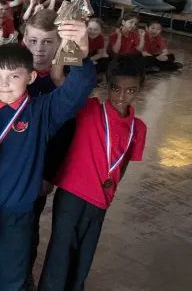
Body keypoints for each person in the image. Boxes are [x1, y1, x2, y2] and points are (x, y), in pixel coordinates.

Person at [0, 22, 96, 290]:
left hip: (17, 214)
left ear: (31, 77)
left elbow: (77, 91)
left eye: (14, 76)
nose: (4, 84)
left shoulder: (40, 112)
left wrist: (81, 54)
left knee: (11, 276)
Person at [39, 56, 147, 290]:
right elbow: (58, 78)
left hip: (101, 199)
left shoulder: (138, 128)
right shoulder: (88, 109)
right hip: (72, 194)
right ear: (108, 85)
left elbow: (124, 162)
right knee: (60, 250)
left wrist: (111, 188)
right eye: (116, 88)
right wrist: (69, 44)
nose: (121, 96)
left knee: (85, 251)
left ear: (140, 89)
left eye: (130, 91)